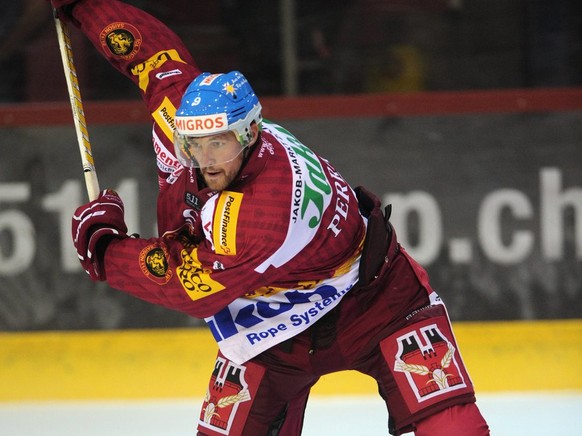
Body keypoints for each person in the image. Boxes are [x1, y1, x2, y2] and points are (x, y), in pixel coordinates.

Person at [51, 0, 490, 434]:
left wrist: (107, 251)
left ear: (250, 134)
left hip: (376, 303)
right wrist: (86, 6)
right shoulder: (187, 115)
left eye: (218, 144)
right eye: (193, 145)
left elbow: (191, 285)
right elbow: (149, 55)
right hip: (272, 321)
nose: (204, 160)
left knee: (456, 430)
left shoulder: (263, 212)